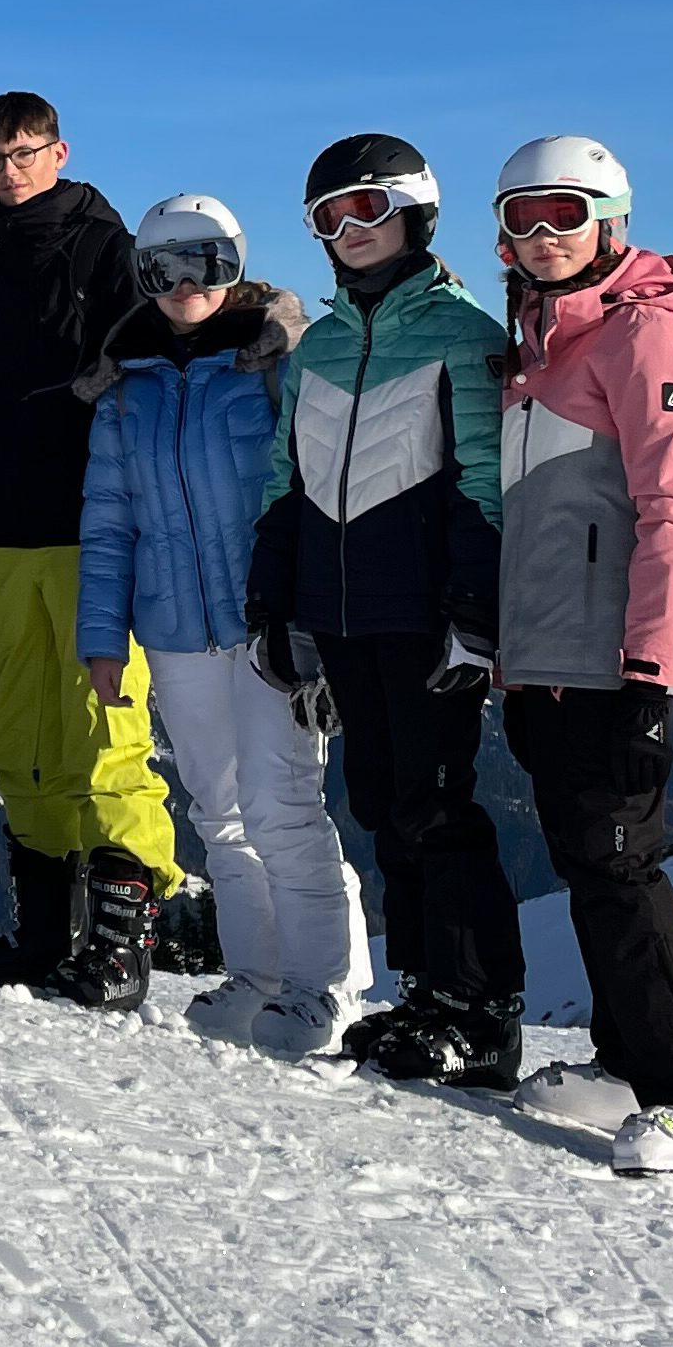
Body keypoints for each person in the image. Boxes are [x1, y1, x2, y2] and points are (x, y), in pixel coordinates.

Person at [492, 137, 673, 1177]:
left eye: (564, 213)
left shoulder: (642, 339)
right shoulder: (536, 346)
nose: (543, 235)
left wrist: (650, 674)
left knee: (620, 867)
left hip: (611, 663)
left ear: (612, 219)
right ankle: (627, 1063)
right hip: (544, 656)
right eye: (522, 217)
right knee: (586, 865)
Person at [246, 136, 526, 1086]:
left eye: (369, 209)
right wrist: (274, 600)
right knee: (378, 800)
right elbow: (287, 483)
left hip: (425, 612)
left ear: (416, 216)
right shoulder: (318, 345)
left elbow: (485, 484)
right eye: (331, 217)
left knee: (437, 803)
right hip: (338, 611)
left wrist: (476, 607)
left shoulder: (464, 335)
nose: (350, 230)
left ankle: (482, 1013)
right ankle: (424, 992)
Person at [0, 93, 180, 994]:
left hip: (95, 526)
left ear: (60, 151)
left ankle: (121, 941)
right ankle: (46, 935)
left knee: (105, 725)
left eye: (24, 153)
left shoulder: (112, 255)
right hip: (11, 530)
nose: (11, 171)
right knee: (23, 731)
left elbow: (149, 366)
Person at [77, 196, 360, 1044]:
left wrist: (315, 615)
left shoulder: (276, 361)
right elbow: (107, 518)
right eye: (161, 269)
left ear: (236, 263)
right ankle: (259, 975)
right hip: (173, 629)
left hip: (266, 621)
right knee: (219, 810)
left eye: (205, 263)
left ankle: (326, 988)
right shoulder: (128, 383)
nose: (184, 285)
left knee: (283, 803)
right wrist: (102, 636)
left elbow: (317, 493)